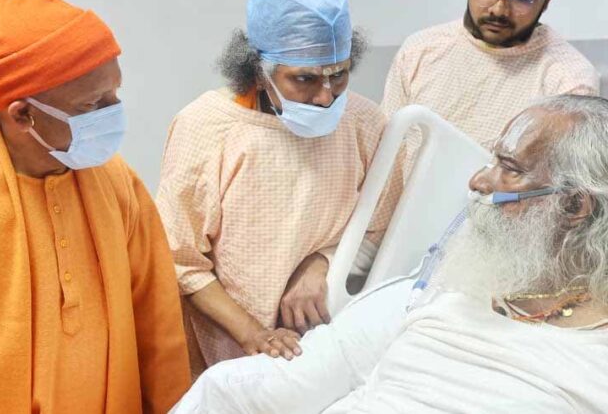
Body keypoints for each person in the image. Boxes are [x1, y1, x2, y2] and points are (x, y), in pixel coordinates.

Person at [171, 95, 608, 413]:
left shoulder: (593, 356)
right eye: (492, 161)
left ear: (574, 205)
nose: (478, 181)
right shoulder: (444, 289)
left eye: (509, 169)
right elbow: (305, 374)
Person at [0, 0, 190, 413]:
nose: (113, 112)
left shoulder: (117, 181)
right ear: (22, 115)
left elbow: (159, 328)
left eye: (114, 95)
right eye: (93, 104)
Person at [156, 0, 399, 375]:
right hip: (221, 345)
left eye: (338, 74)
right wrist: (254, 333)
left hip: (326, 343)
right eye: (304, 79)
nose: (326, 96)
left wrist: (321, 262)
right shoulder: (206, 127)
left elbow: (383, 228)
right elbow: (180, 260)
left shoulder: (364, 122)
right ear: (259, 70)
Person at [382, 0, 599, 175]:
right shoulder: (420, 51)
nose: (499, 9)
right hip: (410, 200)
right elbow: (387, 157)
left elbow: (555, 184)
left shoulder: (568, 80)